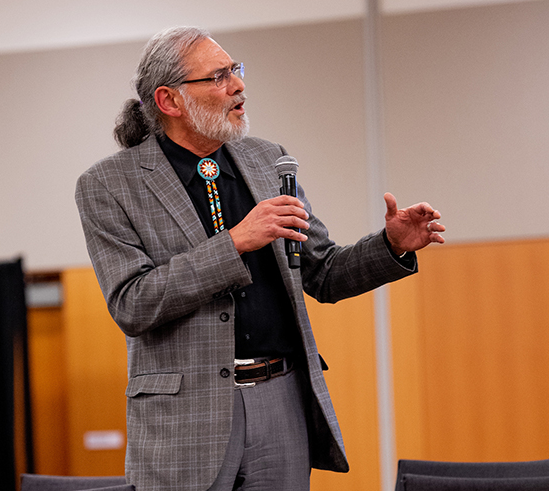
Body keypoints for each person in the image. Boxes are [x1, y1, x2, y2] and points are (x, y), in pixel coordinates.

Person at [75, 26, 445, 491]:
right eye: (217, 77)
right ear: (169, 101)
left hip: (281, 400)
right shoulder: (110, 184)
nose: (238, 85)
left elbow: (323, 272)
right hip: (184, 418)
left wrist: (391, 245)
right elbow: (133, 303)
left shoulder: (268, 160)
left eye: (236, 70)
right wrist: (234, 243)